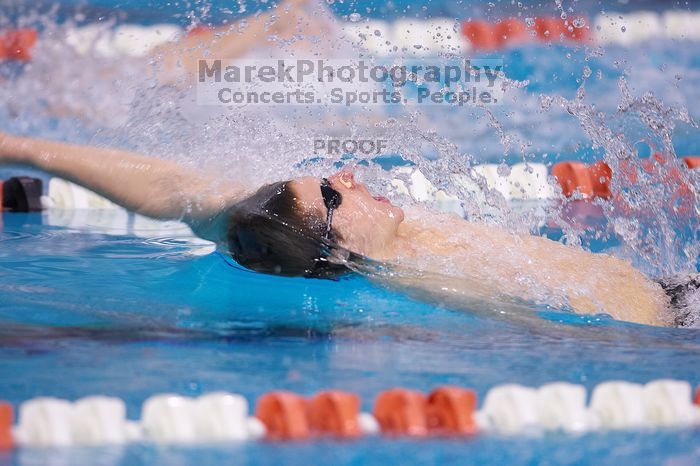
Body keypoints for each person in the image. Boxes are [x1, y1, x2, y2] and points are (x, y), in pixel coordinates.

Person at [1, 130, 697, 328]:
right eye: (336, 190)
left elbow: (177, 192)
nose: (352, 175)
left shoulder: (323, 238)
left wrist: (27, 149)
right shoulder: (436, 271)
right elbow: (576, 330)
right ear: (341, 240)